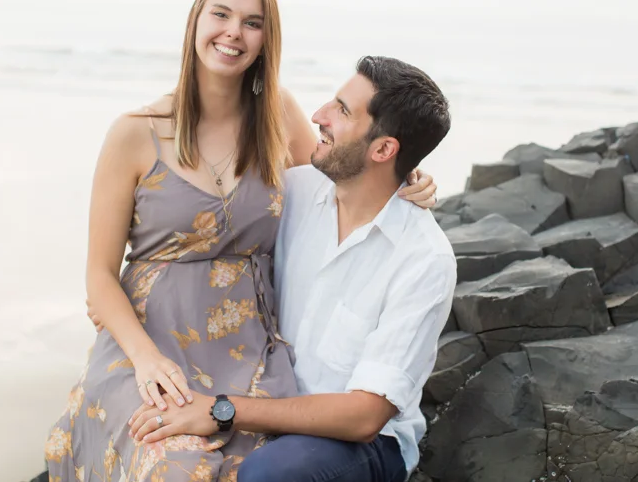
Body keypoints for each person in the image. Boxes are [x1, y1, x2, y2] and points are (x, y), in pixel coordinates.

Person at [45, 0, 437, 482]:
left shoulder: (278, 114)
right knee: (172, 464)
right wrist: (145, 361)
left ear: (264, 41)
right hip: (150, 344)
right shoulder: (134, 134)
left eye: (252, 23)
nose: (233, 32)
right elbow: (99, 276)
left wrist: (409, 177)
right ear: (195, 22)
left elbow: (343, 177)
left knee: (249, 468)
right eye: (221, 14)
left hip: (250, 349)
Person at [122, 56, 455, 482]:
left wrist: (220, 410)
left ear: (384, 149)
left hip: (360, 443)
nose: (318, 116)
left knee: (270, 473)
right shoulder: (292, 194)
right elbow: (198, 233)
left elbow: (364, 416)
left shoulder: (423, 259)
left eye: (342, 111)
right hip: (267, 395)